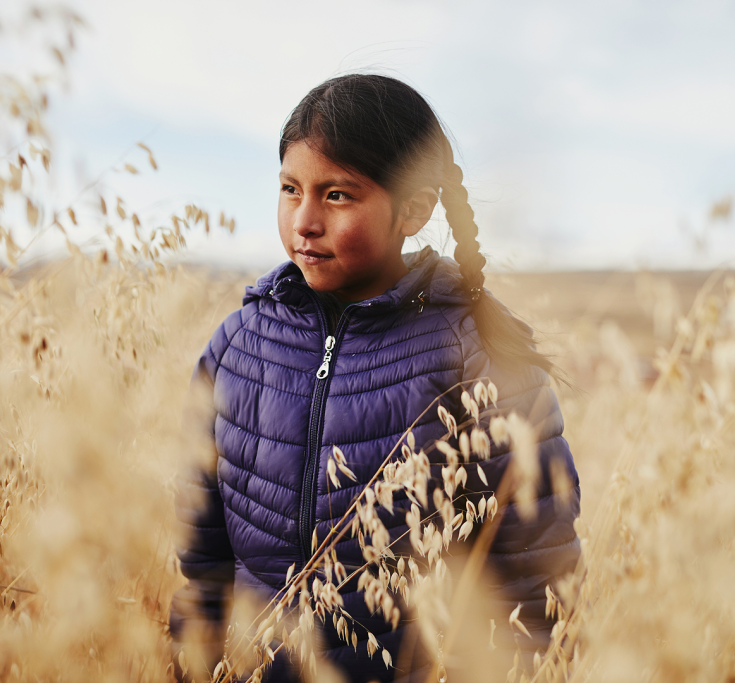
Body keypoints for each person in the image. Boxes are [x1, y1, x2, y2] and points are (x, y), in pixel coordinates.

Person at [171, 74, 581, 683]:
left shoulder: (479, 360)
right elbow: (202, 559)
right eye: (290, 189)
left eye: (337, 195)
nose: (304, 221)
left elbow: (537, 587)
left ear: (411, 211)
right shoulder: (238, 347)